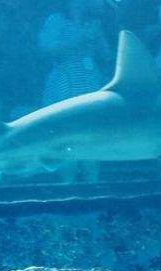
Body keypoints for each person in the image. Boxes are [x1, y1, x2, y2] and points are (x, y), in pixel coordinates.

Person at [39, 0, 112, 183]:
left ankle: (93, 185)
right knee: (65, 136)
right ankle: (67, 188)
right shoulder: (56, 20)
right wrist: (82, 38)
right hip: (64, 82)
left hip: (90, 82)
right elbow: (47, 47)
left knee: (92, 137)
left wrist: (97, 36)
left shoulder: (93, 22)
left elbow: (107, 56)